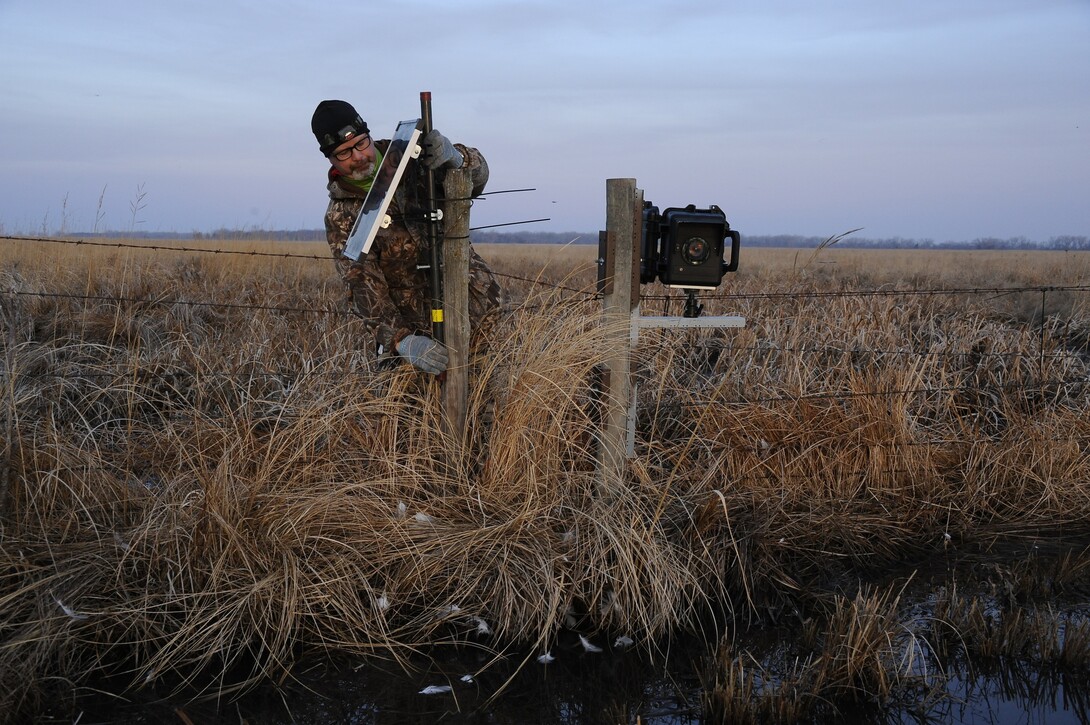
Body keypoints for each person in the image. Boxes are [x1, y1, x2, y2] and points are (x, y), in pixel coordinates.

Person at [311, 99, 504, 375]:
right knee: (419, 417)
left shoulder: (413, 156)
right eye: (343, 153)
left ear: (368, 135)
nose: (357, 156)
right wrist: (403, 340)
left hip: (475, 314)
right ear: (329, 158)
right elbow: (363, 286)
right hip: (419, 345)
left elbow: (478, 177)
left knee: (489, 407)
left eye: (360, 144)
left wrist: (456, 159)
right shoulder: (341, 216)